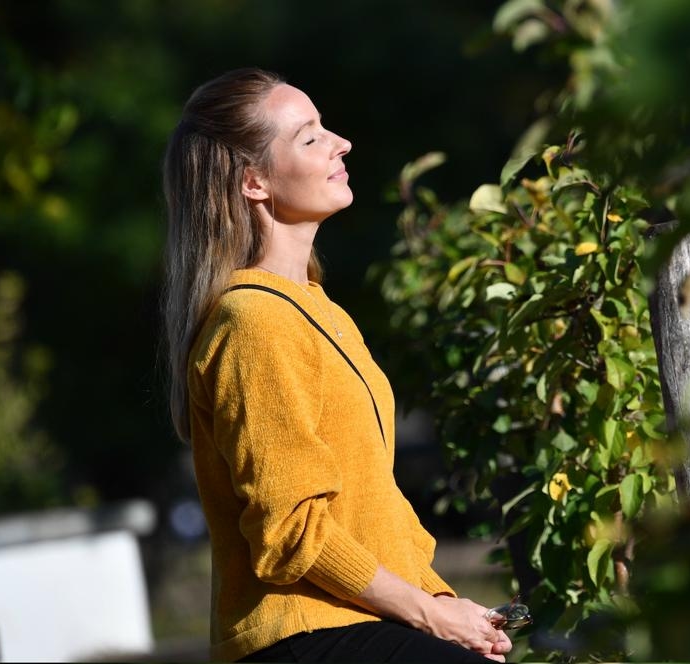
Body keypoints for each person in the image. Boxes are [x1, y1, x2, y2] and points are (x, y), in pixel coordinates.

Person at [161, 68, 513, 663]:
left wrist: (445, 602)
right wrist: (432, 614)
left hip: (359, 623)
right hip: (305, 634)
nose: (340, 143)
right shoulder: (253, 321)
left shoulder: (321, 312)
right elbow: (293, 531)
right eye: (309, 136)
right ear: (252, 181)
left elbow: (372, 504)